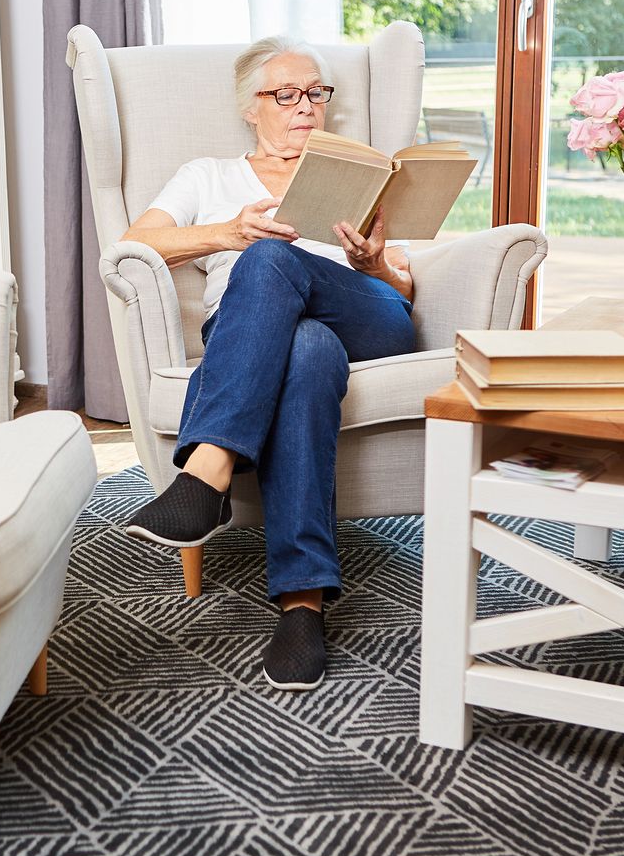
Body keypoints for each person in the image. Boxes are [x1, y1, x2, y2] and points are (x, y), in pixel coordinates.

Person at [122, 35, 417, 692]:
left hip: (369, 317)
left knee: (272, 257)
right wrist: (228, 232)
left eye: (316, 92)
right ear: (251, 108)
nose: (305, 105)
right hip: (264, 334)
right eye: (285, 93)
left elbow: (406, 290)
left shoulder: (353, 172)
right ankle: (302, 604)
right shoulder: (208, 175)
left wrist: (373, 263)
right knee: (305, 346)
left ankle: (208, 470)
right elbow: (134, 244)